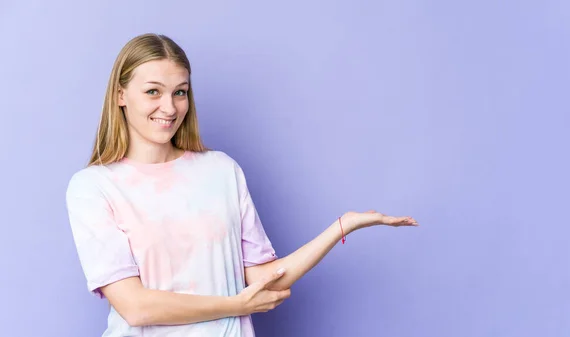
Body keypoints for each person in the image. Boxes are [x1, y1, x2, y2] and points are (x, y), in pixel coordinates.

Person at [65, 33, 419, 337]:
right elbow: (135, 307)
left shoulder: (221, 171)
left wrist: (343, 225)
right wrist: (236, 304)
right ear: (120, 95)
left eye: (180, 92)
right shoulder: (93, 187)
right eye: (153, 91)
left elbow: (266, 280)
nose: (169, 108)